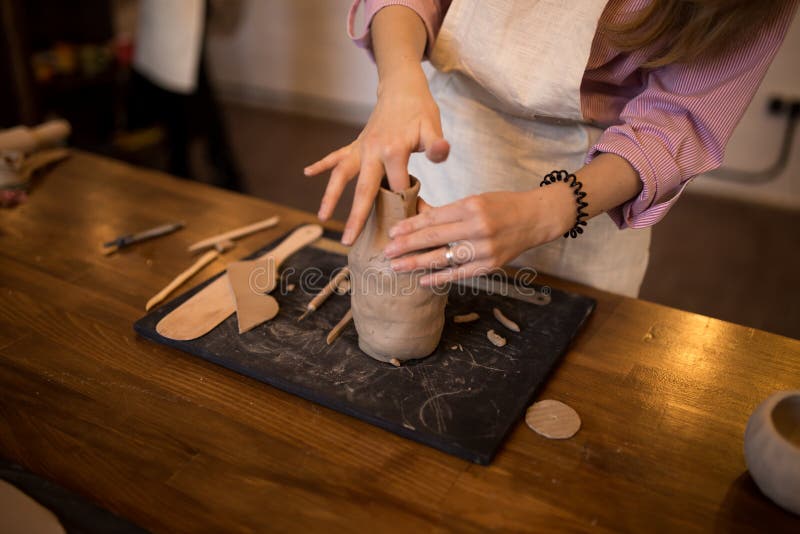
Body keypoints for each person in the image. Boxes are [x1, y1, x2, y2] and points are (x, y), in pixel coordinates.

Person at [305, 0, 798, 297]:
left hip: (594, 177)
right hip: (454, 131)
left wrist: (549, 212)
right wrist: (399, 79)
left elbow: (679, 122)